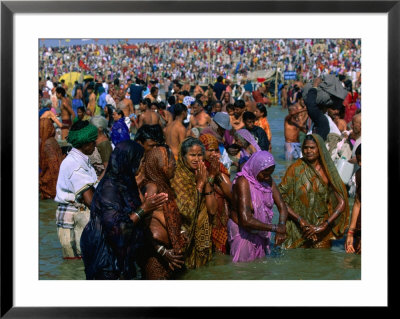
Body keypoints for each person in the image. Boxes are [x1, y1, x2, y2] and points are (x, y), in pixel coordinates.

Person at [80, 140, 169, 279]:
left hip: (124, 255)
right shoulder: (109, 189)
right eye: (142, 160)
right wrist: (144, 209)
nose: (143, 164)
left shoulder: (126, 181)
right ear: (130, 161)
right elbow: (117, 229)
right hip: (105, 256)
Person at [278, 134, 350, 249]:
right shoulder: (294, 169)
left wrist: (324, 225)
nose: (308, 151)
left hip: (322, 230)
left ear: (319, 149)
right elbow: (280, 199)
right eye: (306, 148)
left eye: (312, 148)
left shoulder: (328, 171)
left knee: (322, 261)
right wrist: (300, 220)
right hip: (298, 228)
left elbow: (341, 203)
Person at [228, 151, 288, 262]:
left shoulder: (268, 180)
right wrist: (274, 228)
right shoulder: (243, 182)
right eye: (264, 174)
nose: (266, 177)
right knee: (242, 270)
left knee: (259, 270)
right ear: (255, 168)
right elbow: (246, 220)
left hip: (261, 231)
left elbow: (282, 207)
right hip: (243, 232)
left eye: (270, 174)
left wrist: (282, 225)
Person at [140, 145, 186, 279]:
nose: (175, 165)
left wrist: (181, 231)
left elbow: (166, 216)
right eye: (172, 162)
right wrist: (162, 251)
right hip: (156, 256)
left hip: (168, 254)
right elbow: (143, 227)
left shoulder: (164, 185)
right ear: (161, 166)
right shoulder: (152, 188)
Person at [171, 137, 218, 269]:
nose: (197, 159)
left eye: (199, 155)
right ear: (183, 156)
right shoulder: (177, 178)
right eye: (192, 155)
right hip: (185, 238)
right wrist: (200, 185)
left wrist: (207, 183)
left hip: (202, 237)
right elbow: (187, 211)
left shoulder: (202, 173)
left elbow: (213, 210)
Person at [54, 120, 98, 259]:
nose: (95, 144)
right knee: (76, 262)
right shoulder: (75, 165)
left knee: (77, 263)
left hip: (73, 213)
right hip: (73, 216)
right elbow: (90, 200)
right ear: (85, 144)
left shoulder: (79, 159)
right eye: (92, 142)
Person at [199, 134, 233, 254]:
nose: (214, 154)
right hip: (204, 216)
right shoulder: (197, 168)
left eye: (216, 150)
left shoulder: (219, 168)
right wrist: (212, 175)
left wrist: (216, 174)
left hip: (220, 218)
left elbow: (231, 194)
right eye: (210, 150)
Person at [39, 114, 64, 199]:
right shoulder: (51, 141)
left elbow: (54, 168)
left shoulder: (47, 144)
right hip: (56, 184)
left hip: (51, 187)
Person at [345, 144, 361, 254]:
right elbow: (357, 203)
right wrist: (350, 232)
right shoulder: (359, 174)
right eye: (358, 160)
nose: (360, 164)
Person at [90, 116, 113, 181]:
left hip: (101, 179)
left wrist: (98, 182)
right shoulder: (94, 141)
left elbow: (107, 167)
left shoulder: (104, 144)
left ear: (99, 129)